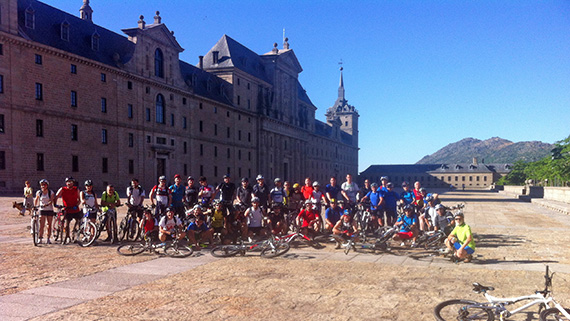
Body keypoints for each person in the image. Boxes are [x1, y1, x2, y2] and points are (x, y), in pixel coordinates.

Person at [55, 177, 81, 244]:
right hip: (67, 209)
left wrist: (77, 205)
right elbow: (56, 196)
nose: (69, 183)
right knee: (66, 224)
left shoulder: (76, 189)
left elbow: (79, 200)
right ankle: (67, 236)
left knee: (78, 221)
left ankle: (74, 232)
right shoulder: (62, 189)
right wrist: (55, 204)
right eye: (68, 182)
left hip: (75, 208)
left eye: (71, 182)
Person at [34, 179, 55, 244]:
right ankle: (40, 238)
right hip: (42, 210)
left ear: (47, 185)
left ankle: (48, 238)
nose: (43, 186)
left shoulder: (50, 192)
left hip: (49, 209)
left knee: (49, 225)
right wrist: (35, 206)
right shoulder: (39, 192)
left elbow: (51, 200)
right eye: (42, 185)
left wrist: (47, 204)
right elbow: (36, 199)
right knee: (41, 225)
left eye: (44, 185)